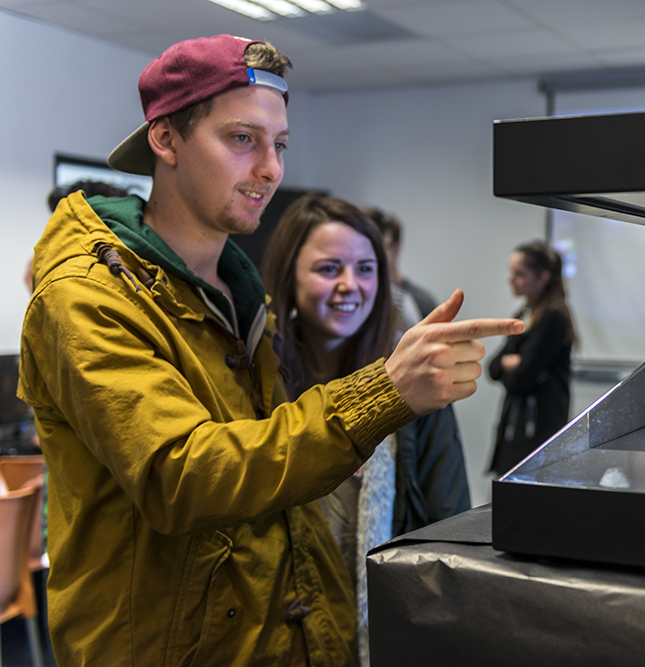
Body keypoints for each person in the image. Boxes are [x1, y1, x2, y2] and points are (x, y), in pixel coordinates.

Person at [17, 34, 521, 666]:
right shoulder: (86, 300)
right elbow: (185, 476)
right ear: (165, 139)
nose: (270, 170)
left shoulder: (235, 290)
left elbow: (274, 505)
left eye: (278, 144)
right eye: (242, 139)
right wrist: (382, 393)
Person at [262, 194, 470, 666]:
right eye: (329, 269)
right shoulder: (258, 383)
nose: (349, 286)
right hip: (281, 631)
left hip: (383, 631)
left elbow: (448, 521)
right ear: (289, 275)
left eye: (366, 269)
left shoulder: (417, 387)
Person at [488, 241, 576, 476]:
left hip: (536, 431)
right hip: (516, 427)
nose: (510, 278)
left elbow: (520, 380)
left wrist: (516, 366)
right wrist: (510, 364)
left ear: (542, 278)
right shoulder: (524, 314)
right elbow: (493, 367)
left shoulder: (554, 318)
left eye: (519, 273)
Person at [364, 206, 437, 329]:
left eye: (379, 248)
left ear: (396, 247)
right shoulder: (358, 298)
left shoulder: (417, 303)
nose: (371, 256)